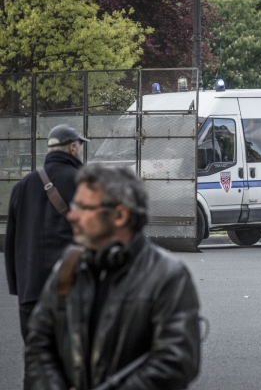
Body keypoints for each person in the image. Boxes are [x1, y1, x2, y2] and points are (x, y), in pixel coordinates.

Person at [25, 164, 201, 389]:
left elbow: (176, 363)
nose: (71, 215)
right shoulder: (69, 265)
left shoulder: (168, 276)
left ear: (119, 215)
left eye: (83, 207)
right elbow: (38, 343)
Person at [5, 124, 88, 342]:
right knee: (73, 364)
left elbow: (11, 244)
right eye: (80, 146)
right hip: (71, 290)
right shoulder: (84, 183)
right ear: (72, 148)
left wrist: (18, 289)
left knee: (37, 364)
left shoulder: (22, 187)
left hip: (30, 291)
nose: (80, 151)